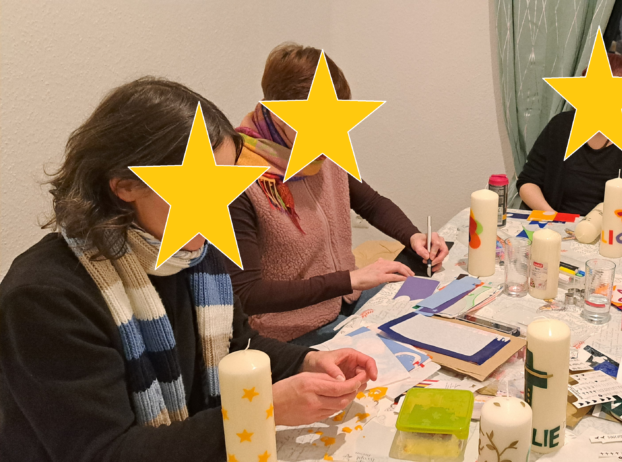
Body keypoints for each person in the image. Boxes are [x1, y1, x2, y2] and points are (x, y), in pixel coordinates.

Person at [0, 77, 379, 461]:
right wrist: (261, 410)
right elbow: (104, 452)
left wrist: (306, 361)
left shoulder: (194, 254)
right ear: (125, 185)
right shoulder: (43, 297)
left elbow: (237, 344)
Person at [228, 43, 448, 345]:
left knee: (438, 315)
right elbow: (248, 294)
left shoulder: (319, 150)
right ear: (277, 114)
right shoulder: (239, 179)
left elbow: (371, 203)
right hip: (289, 331)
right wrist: (350, 279)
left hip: (345, 301)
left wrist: (413, 236)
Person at [517, 53, 622, 220]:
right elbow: (528, 181)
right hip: (561, 225)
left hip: (619, 230)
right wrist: (554, 217)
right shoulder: (560, 127)